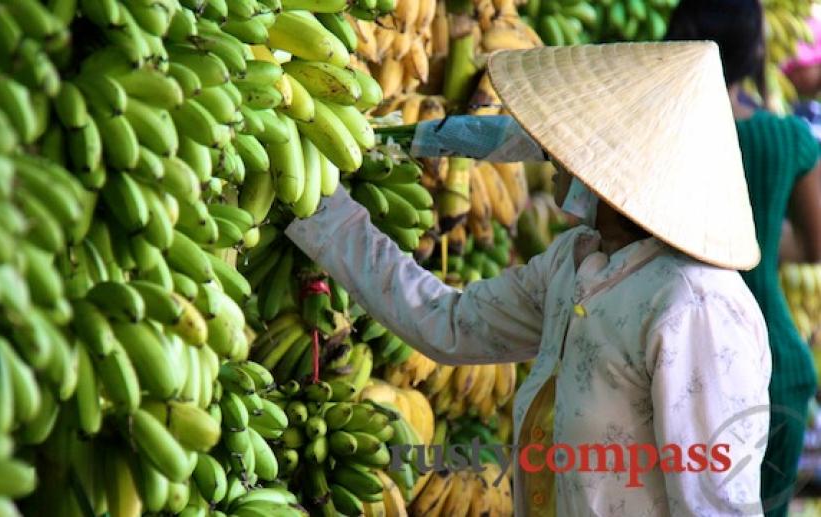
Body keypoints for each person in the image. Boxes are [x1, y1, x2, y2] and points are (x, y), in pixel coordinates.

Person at [286, 41, 771, 515]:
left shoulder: (696, 307)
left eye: (564, 143)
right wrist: (322, 210)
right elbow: (448, 323)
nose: (550, 155)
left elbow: (715, 504)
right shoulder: (573, 264)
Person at [665, 2, 821, 514]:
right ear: (756, 51)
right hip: (773, 360)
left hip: (677, 359)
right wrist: (758, 238)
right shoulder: (784, 137)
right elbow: (816, 243)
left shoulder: (660, 136)